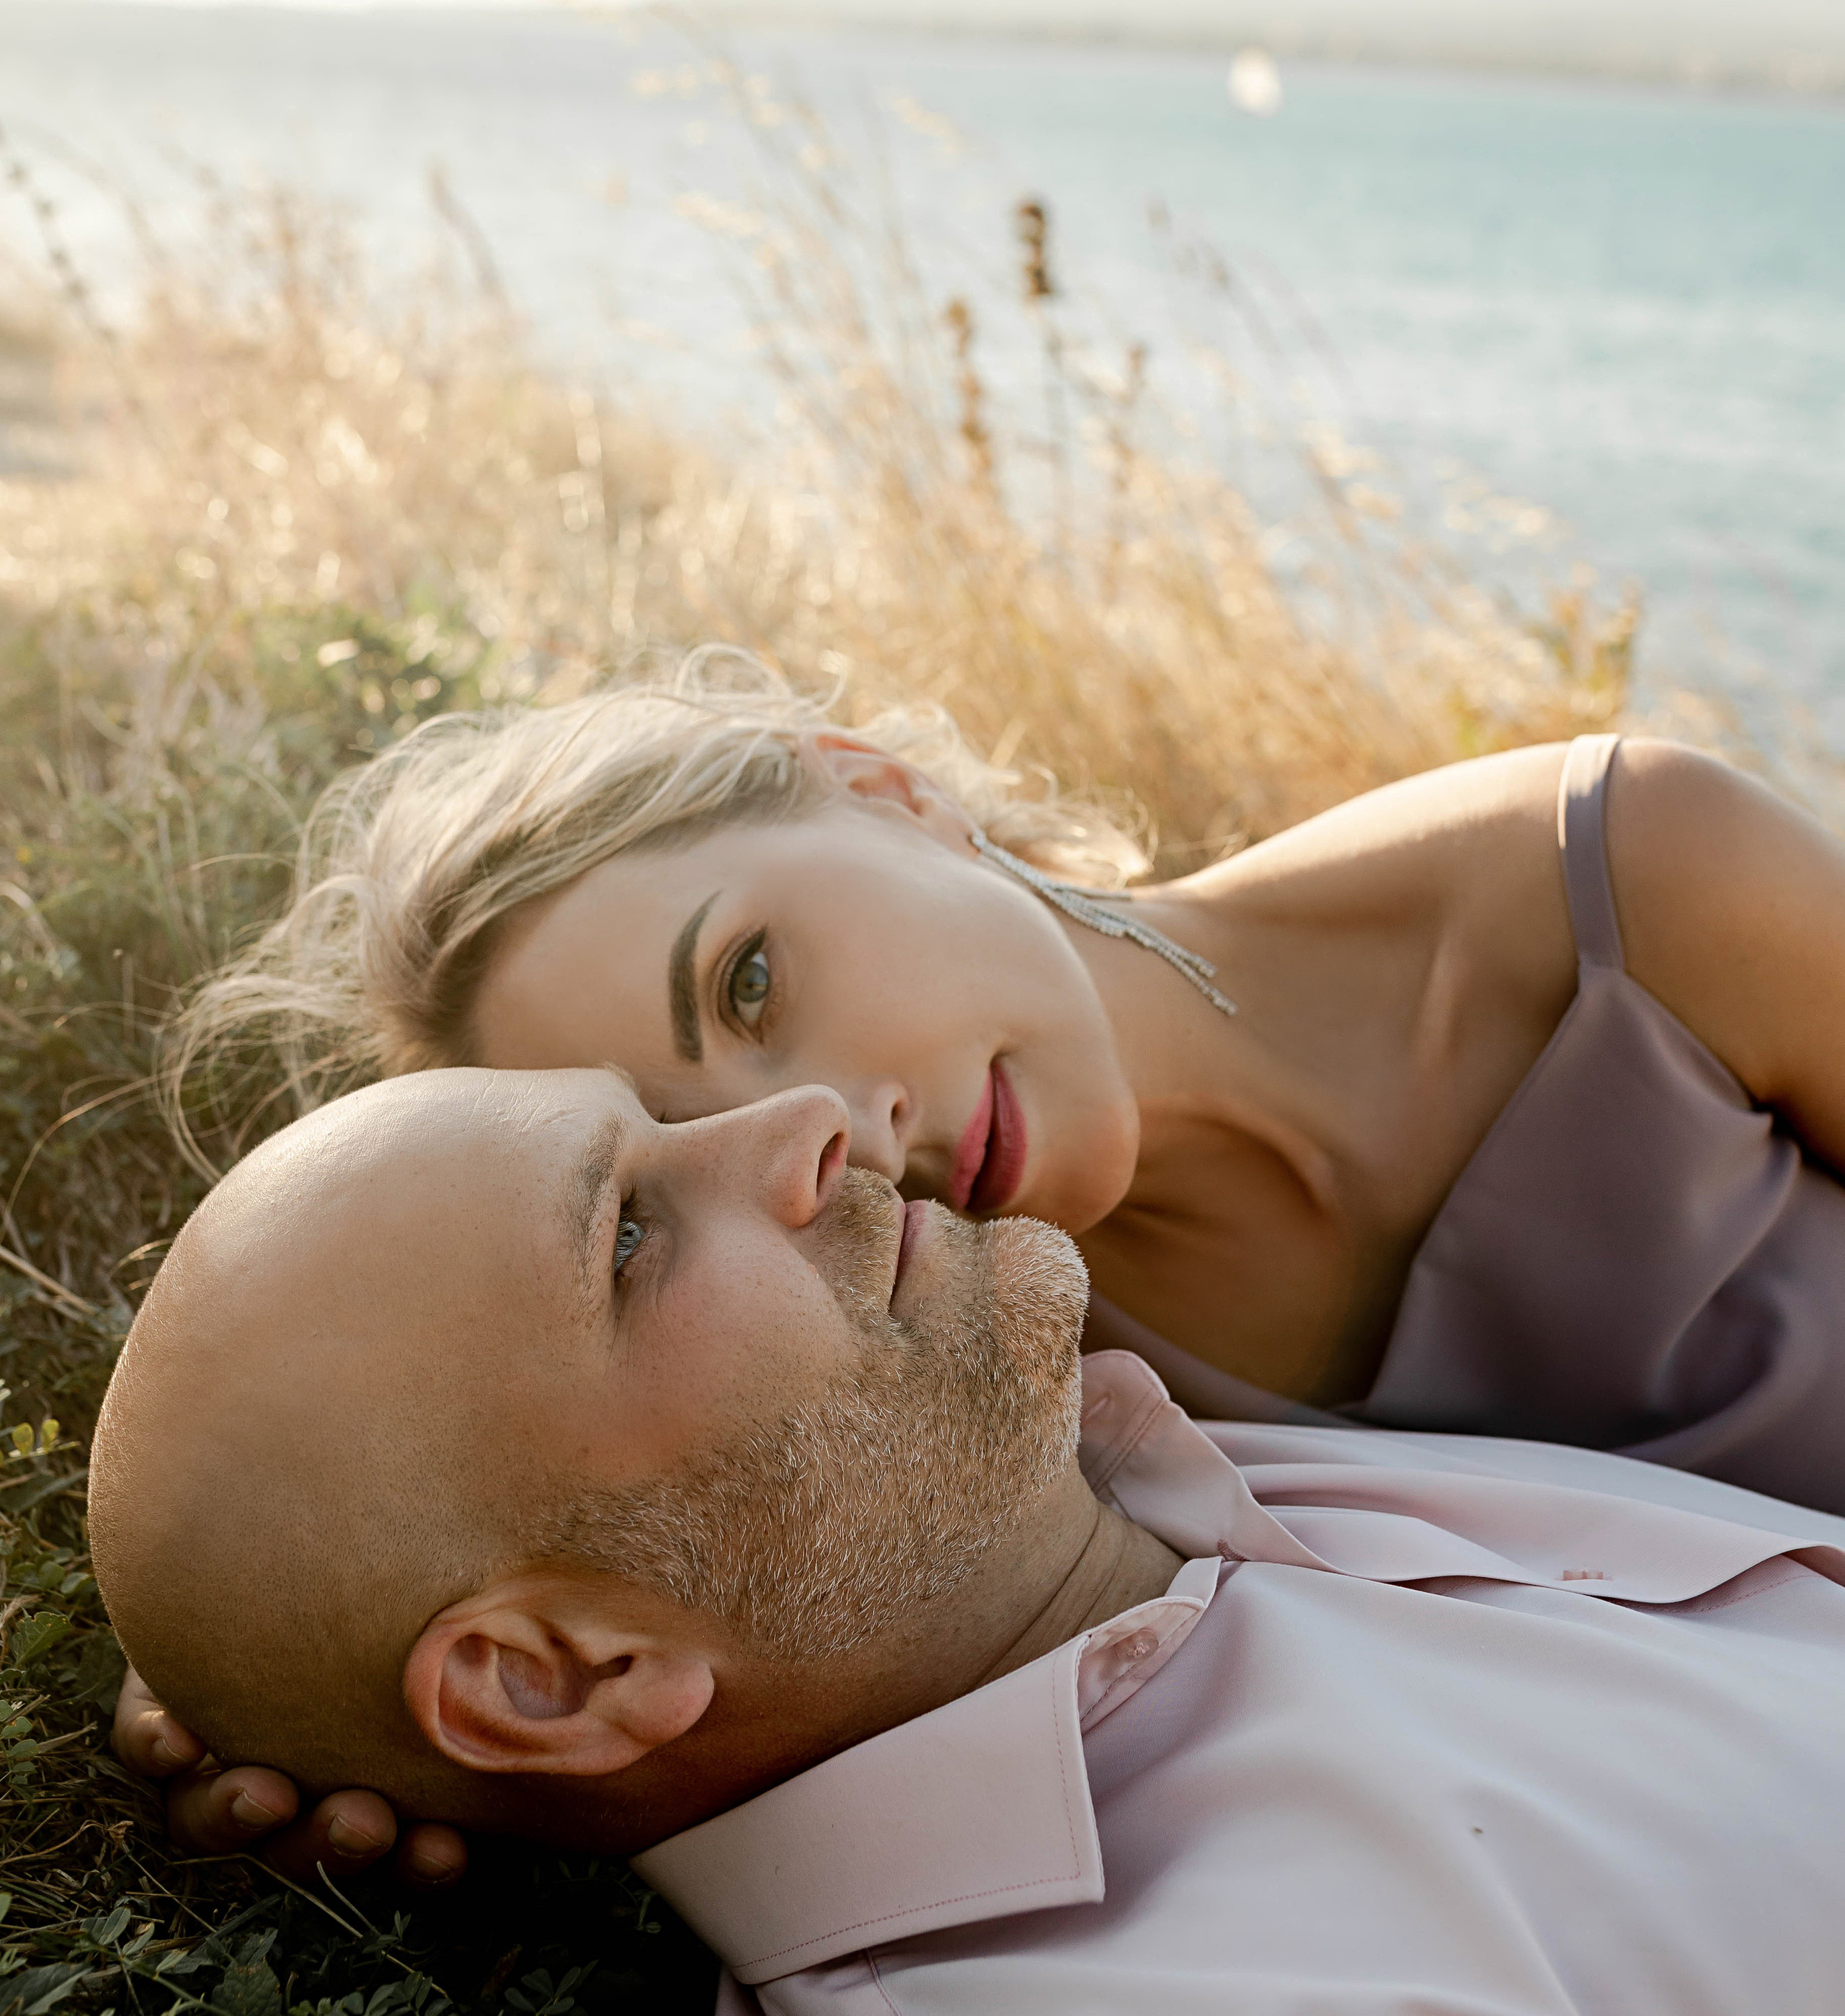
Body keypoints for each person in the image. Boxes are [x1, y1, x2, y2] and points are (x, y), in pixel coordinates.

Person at [92, 1065, 1845, 2016]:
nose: (808, 1119)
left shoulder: (1078, 1477)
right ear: (566, 1678)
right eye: (630, 1234)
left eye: (664, 1111)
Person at [114, 652, 1845, 1881]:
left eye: (747, 986)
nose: (827, 1145)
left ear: (880, 788)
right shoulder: (976, 1390)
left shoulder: (1629, 882)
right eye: (672, 1152)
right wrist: (292, 1657)